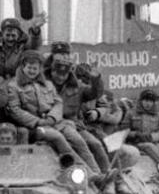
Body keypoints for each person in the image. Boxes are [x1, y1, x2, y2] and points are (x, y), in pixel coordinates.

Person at [5, 50, 101, 180]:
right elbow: (15, 110)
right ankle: (87, 173)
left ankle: (97, 174)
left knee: (77, 139)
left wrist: (52, 117)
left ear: (40, 69)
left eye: (35, 68)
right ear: (23, 67)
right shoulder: (13, 86)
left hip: (54, 122)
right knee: (58, 137)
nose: (32, 71)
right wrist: (38, 121)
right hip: (33, 127)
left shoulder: (47, 84)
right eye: (29, 68)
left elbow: (58, 102)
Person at [47, 43, 110, 174]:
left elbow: (95, 94)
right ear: (52, 71)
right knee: (77, 143)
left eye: (64, 74)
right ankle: (94, 174)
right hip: (53, 124)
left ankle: (106, 174)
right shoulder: (44, 85)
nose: (60, 77)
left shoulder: (77, 86)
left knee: (95, 144)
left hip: (75, 125)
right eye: (57, 73)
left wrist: (96, 79)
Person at [0, 13, 46, 78]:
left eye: (13, 35)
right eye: (7, 35)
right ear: (2, 34)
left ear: (19, 35)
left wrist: (35, 31)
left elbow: (34, 45)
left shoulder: (24, 44)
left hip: (19, 79)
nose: (10, 38)